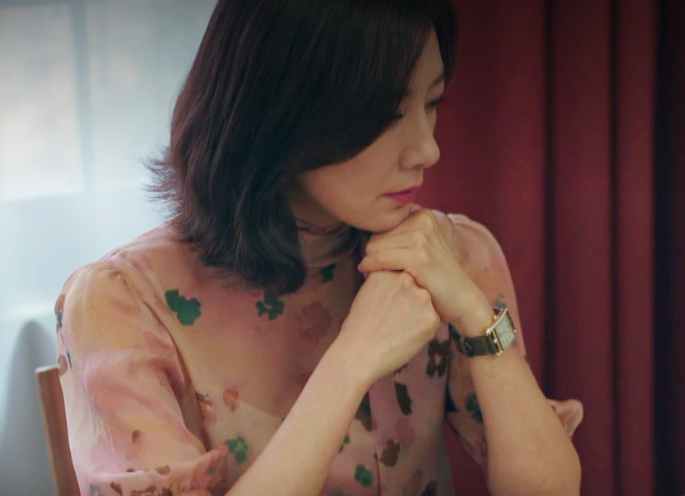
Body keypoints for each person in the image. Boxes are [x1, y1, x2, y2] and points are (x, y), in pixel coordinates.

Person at [53, 1, 584, 495]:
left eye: (432, 103)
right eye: (388, 114)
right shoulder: (121, 304)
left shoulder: (453, 255)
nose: (428, 149)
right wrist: (351, 361)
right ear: (281, 109)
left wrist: (475, 315)